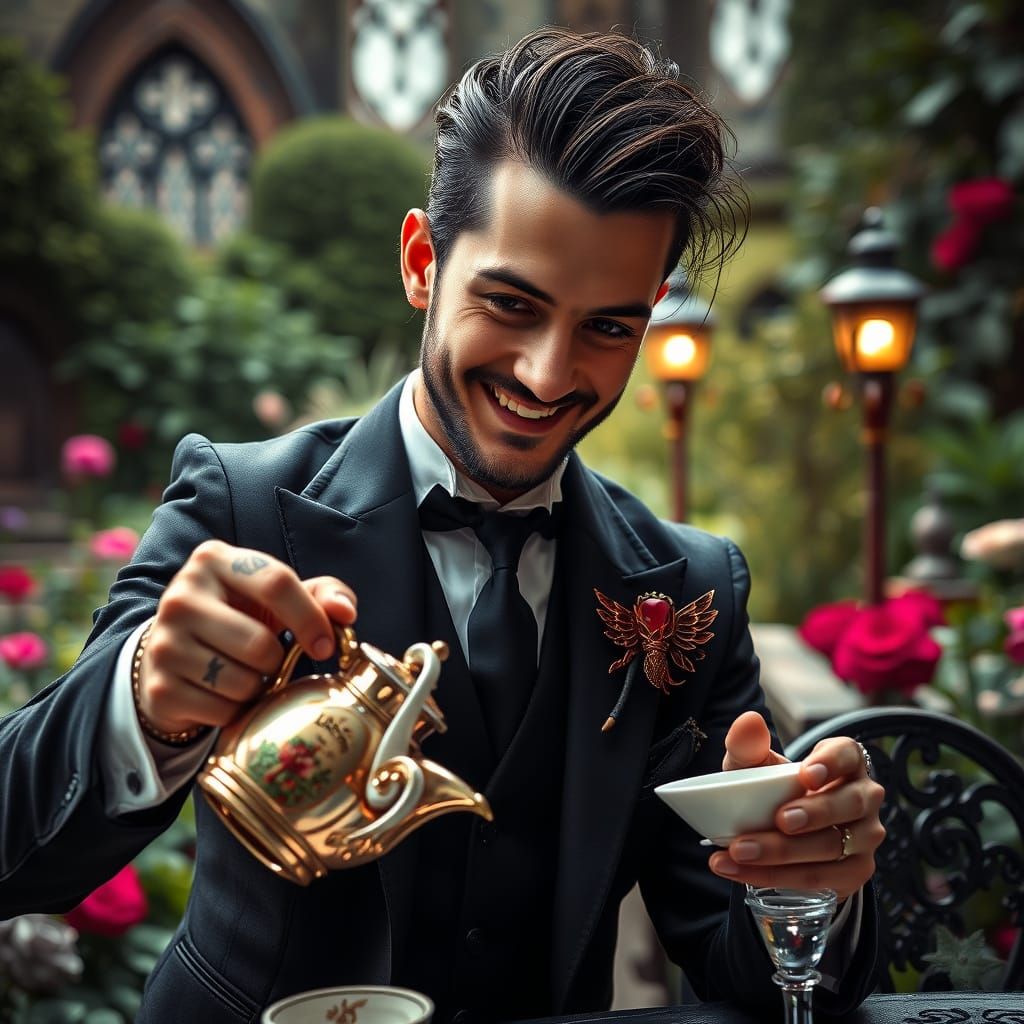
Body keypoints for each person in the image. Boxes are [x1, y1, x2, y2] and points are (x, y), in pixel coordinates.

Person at [0, 26, 885, 1024]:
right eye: (510, 303)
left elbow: (746, 968)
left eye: (607, 327)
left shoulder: (686, 590)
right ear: (423, 262)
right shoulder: (239, 506)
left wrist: (808, 880)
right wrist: (144, 704)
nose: (548, 376)